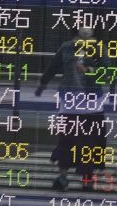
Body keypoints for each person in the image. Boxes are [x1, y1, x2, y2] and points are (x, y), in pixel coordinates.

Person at [36, 26, 108, 191]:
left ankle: (87, 178)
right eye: (80, 34)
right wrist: (42, 83)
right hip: (69, 102)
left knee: (90, 142)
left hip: (91, 104)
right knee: (66, 140)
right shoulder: (66, 47)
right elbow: (53, 67)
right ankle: (63, 177)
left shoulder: (99, 48)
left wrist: (89, 70)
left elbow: (108, 71)